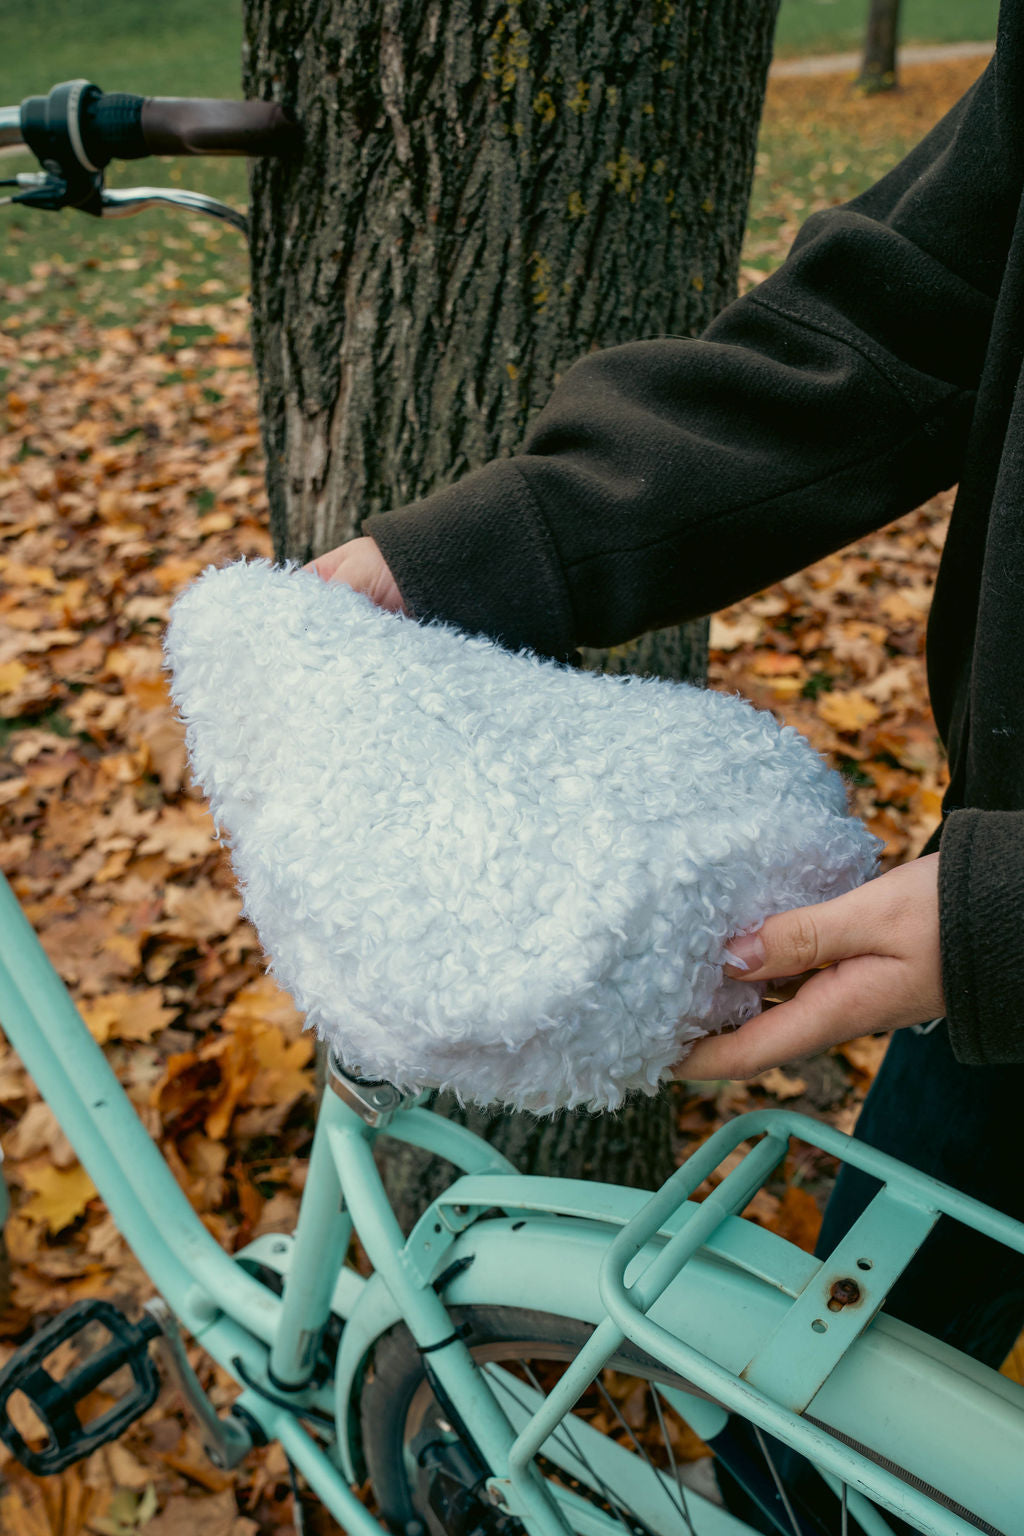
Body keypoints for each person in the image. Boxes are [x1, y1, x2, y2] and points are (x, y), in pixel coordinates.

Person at [309, 0, 1024, 1436]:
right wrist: (502, 547)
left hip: (992, 917)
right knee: (828, 1443)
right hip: (987, 943)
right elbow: (915, 306)